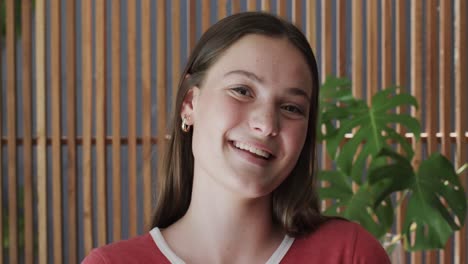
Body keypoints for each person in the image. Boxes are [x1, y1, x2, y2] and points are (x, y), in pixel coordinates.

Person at [82, 12, 390, 263]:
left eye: (291, 107)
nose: (267, 124)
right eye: (242, 91)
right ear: (190, 104)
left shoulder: (349, 254)